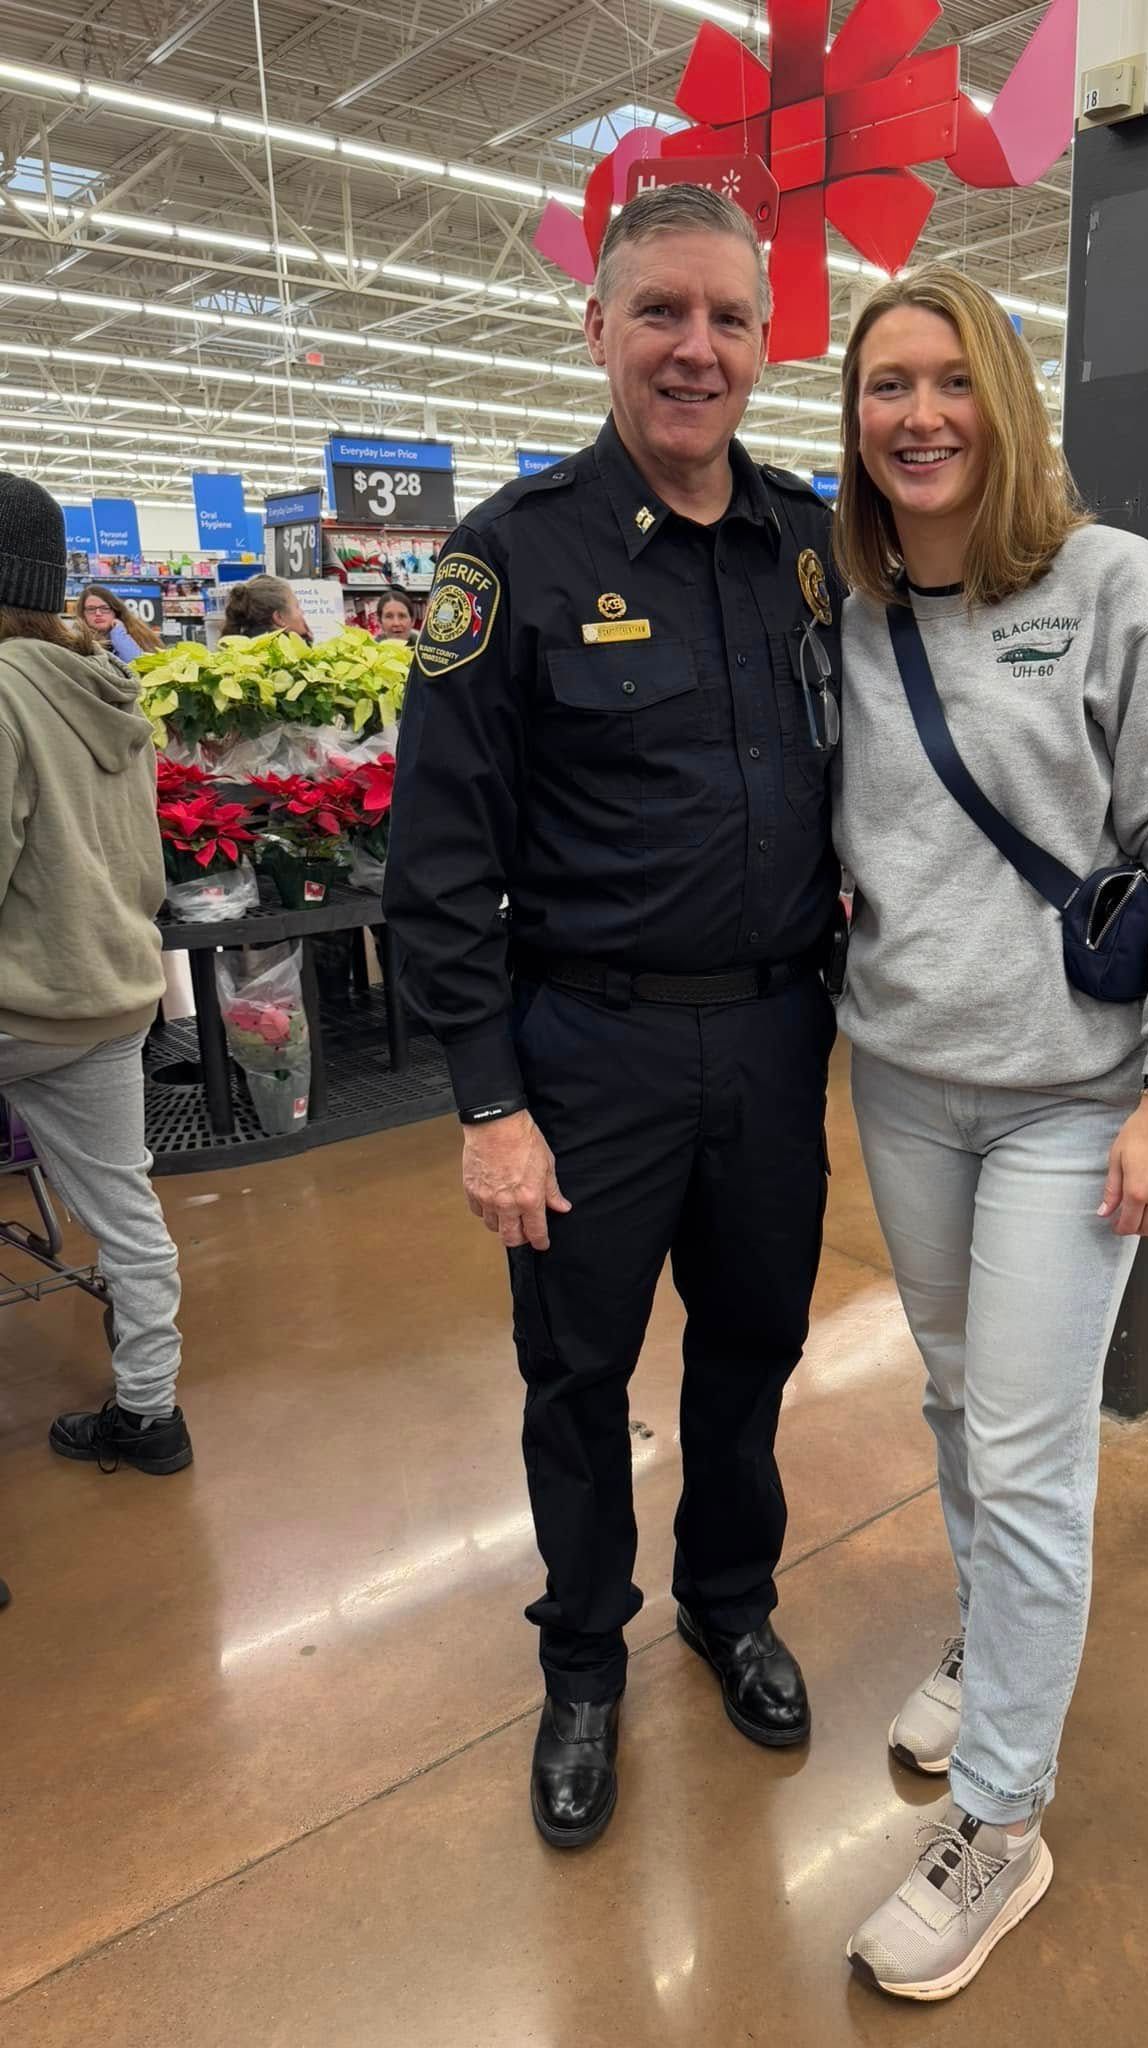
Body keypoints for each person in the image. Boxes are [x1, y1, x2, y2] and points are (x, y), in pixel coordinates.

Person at [385, 185, 842, 1851]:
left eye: (726, 317)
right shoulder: (511, 558)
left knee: (753, 1346)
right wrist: (488, 1102)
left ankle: (729, 1601)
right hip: (588, 1054)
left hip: (779, 1037)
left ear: (766, 338)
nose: (693, 349)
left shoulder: (808, 543)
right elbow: (436, 857)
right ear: (597, 327)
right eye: (659, 312)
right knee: (576, 1376)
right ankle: (583, 1662)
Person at [829, 269, 1148, 2001]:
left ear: (1003, 399)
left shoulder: (1117, 595)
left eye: (948, 381)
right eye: (884, 389)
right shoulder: (851, 611)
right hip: (906, 1076)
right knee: (954, 1393)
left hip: (1077, 1097)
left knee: (1023, 1450)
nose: (917, 415)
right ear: (854, 422)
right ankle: (983, 1636)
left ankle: (1001, 1818)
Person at [0, 473, 191, 1475]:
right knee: (128, 1213)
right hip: (113, 991)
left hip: (20, 1000)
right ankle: (150, 1412)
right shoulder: (104, 684)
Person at [80, 583, 162, 661]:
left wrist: (119, 635)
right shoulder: (78, 640)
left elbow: (137, 664)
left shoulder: (138, 634)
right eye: (91, 609)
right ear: (83, 613)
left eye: (104, 608)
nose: (98, 613)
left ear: (115, 610)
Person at [222, 574, 311, 642]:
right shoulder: (290, 661)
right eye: (297, 607)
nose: (302, 612)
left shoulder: (236, 650)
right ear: (279, 618)